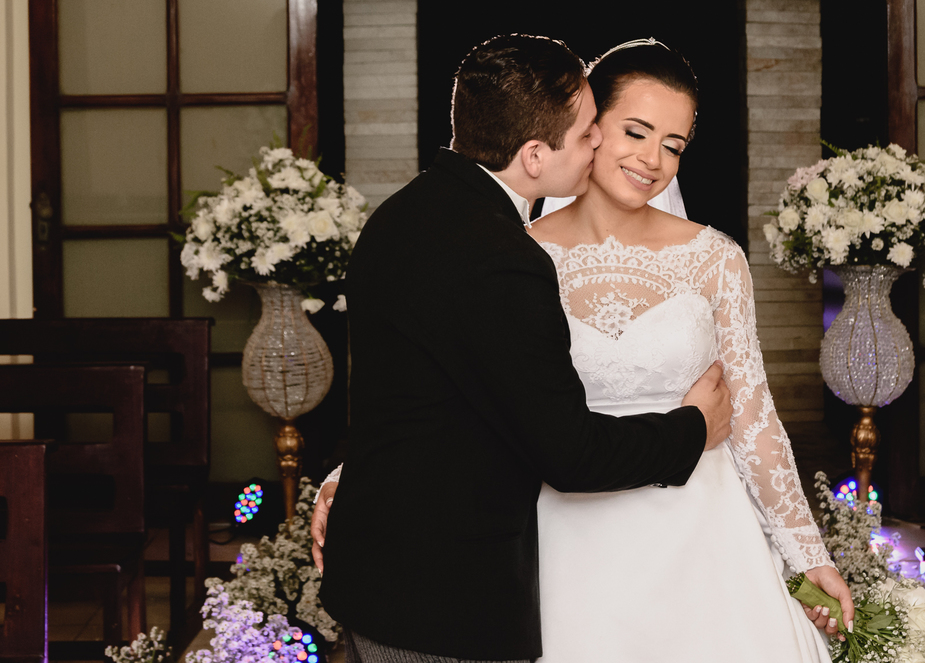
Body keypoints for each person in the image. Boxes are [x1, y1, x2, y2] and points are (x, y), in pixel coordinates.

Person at [314, 34, 736, 663]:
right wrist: (692, 429)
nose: (599, 145)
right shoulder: (504, 260)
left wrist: (347, 475)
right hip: (438, 604)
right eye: (590, 131)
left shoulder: (400, 215)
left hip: (380, 575)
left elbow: (422, 395)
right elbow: (570, 454)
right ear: (535, 155)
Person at [527, 39, 852, 661]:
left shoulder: (715, 259)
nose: (653, 160)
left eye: (672, 146)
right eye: (637, 132)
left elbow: (753, 416)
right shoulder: (520, 257)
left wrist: (807, 553)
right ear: (590, 126)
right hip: (564, 533)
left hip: (701, 534)